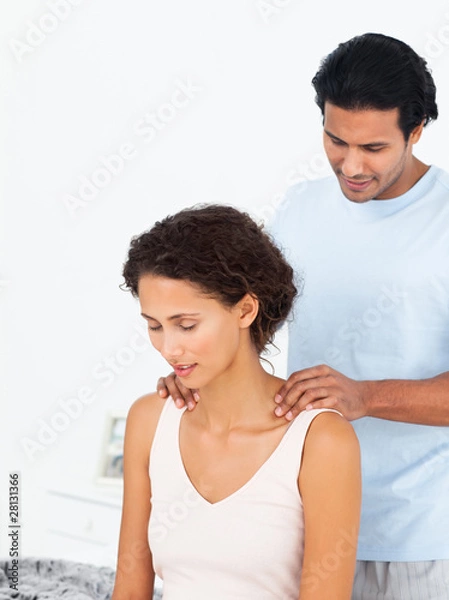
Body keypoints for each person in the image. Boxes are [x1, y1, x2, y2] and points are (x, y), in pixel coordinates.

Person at [157, 34, 449, 599]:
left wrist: (367, 396)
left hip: (414, 540)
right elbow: (244, 323)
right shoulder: (300, 207)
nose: (352, 164)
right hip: (291, 521)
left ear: (416, 132)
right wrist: (196, 369)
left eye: (375, 148)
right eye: (336, 140)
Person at [111, 204, 361, 600]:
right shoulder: (150, 420)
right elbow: (128, 590)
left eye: (187, 325)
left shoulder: (320, 440)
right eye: (154, 326)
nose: (169, 349)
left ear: (245, 310)